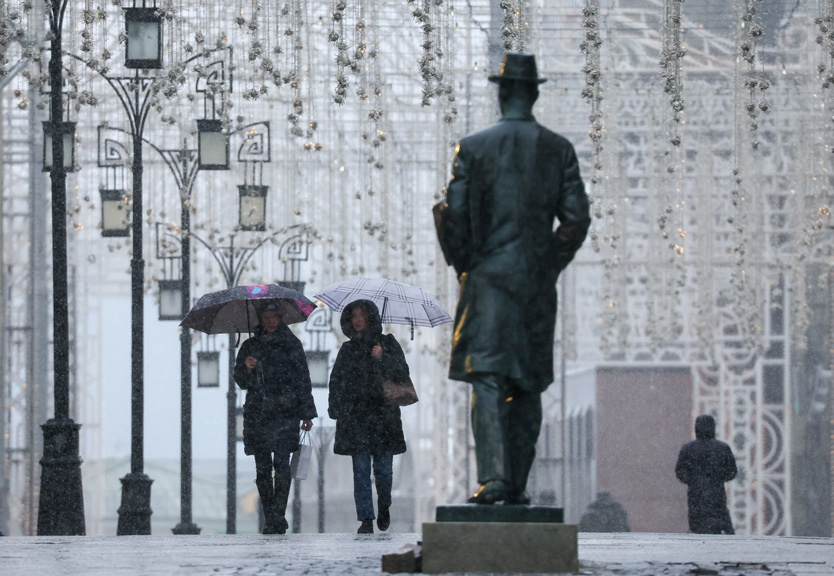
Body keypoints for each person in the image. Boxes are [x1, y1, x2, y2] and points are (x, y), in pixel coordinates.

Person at [433, 52, 590, 504]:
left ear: (502, 93)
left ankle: (495, 478)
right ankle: (517, 483)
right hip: (534, 285)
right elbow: (576, 220)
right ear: (534, 93)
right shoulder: (558, 150)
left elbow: (457, 216)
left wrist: (469, 263)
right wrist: (548, 263)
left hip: (487, 283)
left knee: (488, 379)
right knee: (529, 381)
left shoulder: (473, 148)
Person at [233, 304, 317, 534]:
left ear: (281, 318)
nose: (271, 321)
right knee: (262, 468)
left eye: (275, 316)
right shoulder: (250, 347)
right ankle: (272, 515)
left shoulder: (291, 345)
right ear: (260, 319)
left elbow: (302, 379)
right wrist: (247, 368)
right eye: (267, 317)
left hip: (285, 412)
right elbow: (240, 380)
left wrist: (307, 412)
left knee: (281, 466)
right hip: (259, 413)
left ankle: (276, 515)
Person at [327, 299, 409, 534]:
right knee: (361, 470)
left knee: (383, 471)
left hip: (384, 417)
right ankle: (365, 518)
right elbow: (337, 381)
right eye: (354, 316)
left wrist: (383, 357)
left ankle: (384, 506)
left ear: (371, 317)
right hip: (356, 419)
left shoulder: (388, 343)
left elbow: (403, 373)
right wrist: (336, 409)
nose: (358, 320)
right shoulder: (348, 349)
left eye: (362, 315)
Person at [675, 414, 738, 534]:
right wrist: (718, 477)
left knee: (698, 527)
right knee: (718, 523)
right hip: (717, 494)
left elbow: (680, 472)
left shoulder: (688, 448)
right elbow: (732, 471)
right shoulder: (722, 448)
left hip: (696, 495)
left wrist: (693, 480)